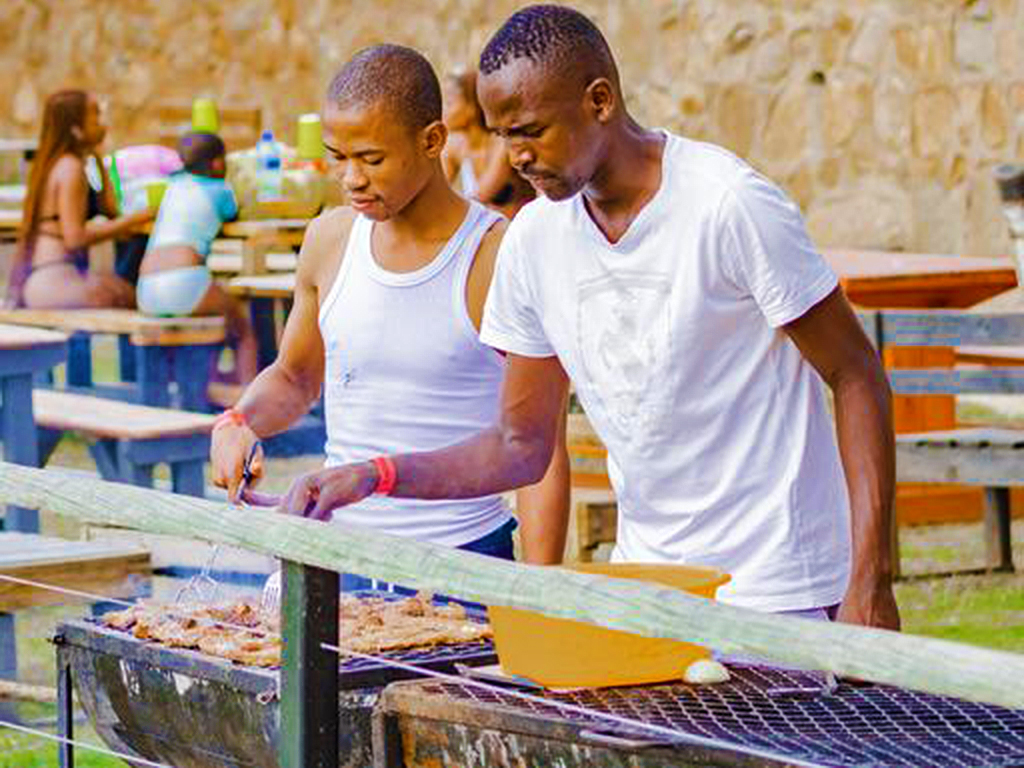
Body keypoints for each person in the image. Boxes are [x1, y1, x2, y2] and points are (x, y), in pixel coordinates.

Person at [279, 6, 900, 632]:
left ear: (599, 101)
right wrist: (376, 475)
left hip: (778, 587)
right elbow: (520, 446)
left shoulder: (727, 204)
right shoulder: (534, 240)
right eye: (501, 136)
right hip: (647, 585)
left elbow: (856, 374)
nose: (516, 157)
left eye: (531, 131)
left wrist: (870, 580)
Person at [210, 44, 570, 587]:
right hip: (334, 552)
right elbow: (295, 377)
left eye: (371, 159)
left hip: (459, 560)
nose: (351, 178)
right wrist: (238, 422)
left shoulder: (495, 255)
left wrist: (540, 595)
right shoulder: (329, 240)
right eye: (338, 157)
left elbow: (540, 451)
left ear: (432, 141)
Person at [7, 90, 153, 309]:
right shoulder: (70, 168)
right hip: (53, 279)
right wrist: (140, 217)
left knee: (125, 291)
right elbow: (74, 238)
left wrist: (97, 153)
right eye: (95, 115)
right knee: (134, 297)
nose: (103, 123)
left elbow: (110, 210)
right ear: (75, 127)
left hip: (50, 277)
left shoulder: (65, 163)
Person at [137, 131, 257, 383]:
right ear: (218, 163)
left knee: (214, 315)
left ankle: (208, 385)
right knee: (242, 327)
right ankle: (247, 393)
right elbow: (234, 214)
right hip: (185, 283)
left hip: (146, 289)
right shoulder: (220, 189)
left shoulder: (172, 187)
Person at [442, 69, 534, 218]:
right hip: (483, 228)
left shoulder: (501, 143)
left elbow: (481, 196)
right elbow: (438, 194)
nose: (443, 110)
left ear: (472, 107)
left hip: (517, 227)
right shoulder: (454, 147)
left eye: (449, 102)